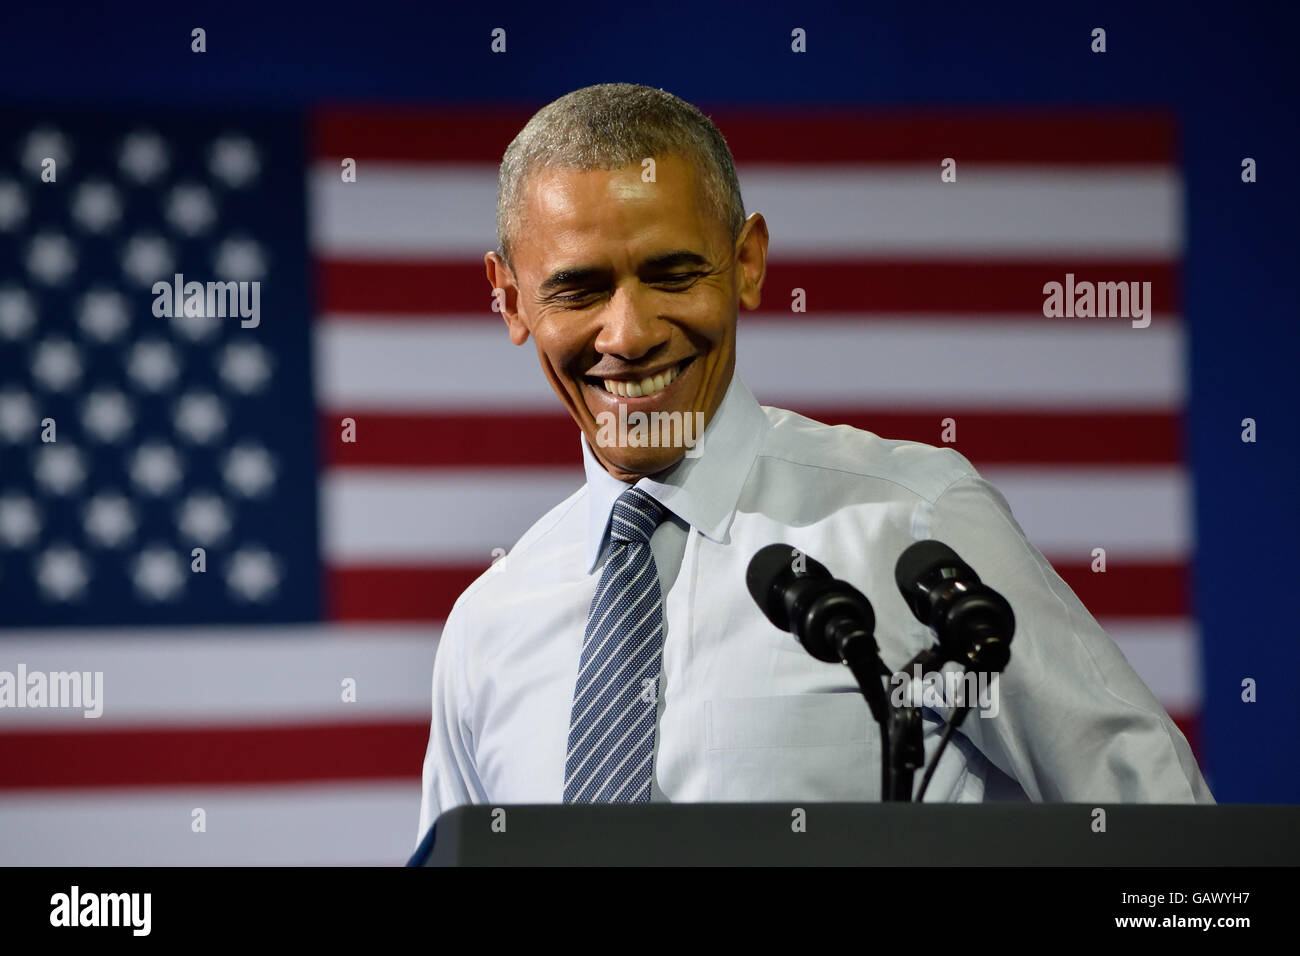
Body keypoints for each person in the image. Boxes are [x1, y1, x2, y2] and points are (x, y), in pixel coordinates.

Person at [416, 82, 1213, 843]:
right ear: (511, 300)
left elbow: (1166, 835)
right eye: (579, 291)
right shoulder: (487, 628)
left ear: (749, 262)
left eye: (673, 273)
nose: (628, 334)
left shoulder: (910, 525)